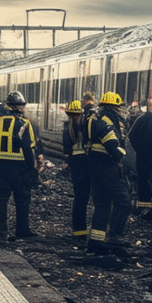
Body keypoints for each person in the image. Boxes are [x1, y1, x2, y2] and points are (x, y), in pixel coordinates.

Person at [0, 91, 38, 239]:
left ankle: (0, 230)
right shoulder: (24, 124)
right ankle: (22, 230)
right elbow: (28, 148)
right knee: (22, 199)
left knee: (1, 199)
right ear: (20, 107)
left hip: (1, 167)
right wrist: (32, 168)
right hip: (19, 168)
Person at [85, 91, 130, 255]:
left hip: (96, 165)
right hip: (106, 167)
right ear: (113, 107)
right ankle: (115, 236)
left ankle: (96, 242)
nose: (122, 110)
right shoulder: (106, 121)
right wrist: (124, 156)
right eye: (119, 107)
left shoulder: (96, 118)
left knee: (103, 204)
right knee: (124, 199)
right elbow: (113, 146)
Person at [61, 100, 91, 242]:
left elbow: (66, 149)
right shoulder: (85, 125)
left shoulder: (67, 127)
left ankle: (79, 231)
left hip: (74, 164)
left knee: (79, 199)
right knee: (89, 198)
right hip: (86, 164)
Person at [128, 96, 152, 220]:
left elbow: (131, 136)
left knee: (142, 181)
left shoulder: (140, 119)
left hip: (143, 157)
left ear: (147, 106)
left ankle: (144, 208)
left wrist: (139, 149)